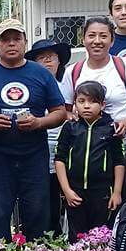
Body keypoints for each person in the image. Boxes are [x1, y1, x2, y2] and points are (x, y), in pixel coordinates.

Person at [0, 20, 65, 239]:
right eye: (6, 39)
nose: (11, 44)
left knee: (38, 215)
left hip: (34, 156)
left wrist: (38, 122)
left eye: (16, 39)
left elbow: (60, 112)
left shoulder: (41, 74)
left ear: (25, 43)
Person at [59, 17, 126, 150]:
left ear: (112, 41)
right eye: (91, 35)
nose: (97, 41)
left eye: (103, 36)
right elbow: (64, 110)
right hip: (86, 151)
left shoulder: (125, 66)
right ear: (83, 39)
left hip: (125, 147)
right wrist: (73, 118)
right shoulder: (73, 71)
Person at [54, 81, 125, 241]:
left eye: (93, 101)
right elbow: (59, 159)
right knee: (76, 237)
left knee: (100, 236)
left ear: (102, 105)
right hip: (75, 191)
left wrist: (117, 192)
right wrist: (66, 190)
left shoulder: (111, 129)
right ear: (74, 104)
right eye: (81, 101)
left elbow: (119, 161)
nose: (87, 106)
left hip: (102, 192)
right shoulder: (70, 128)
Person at [26, 38, 71, 235]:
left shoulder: (68, 84)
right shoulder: (26, 86)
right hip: (38, 152)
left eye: (51, 57)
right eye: (42, 58)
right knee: (46, 201)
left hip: (68, 152)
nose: (47, 62)